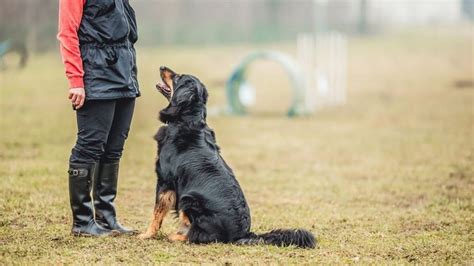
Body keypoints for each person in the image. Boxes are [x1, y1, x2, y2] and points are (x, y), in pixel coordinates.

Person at [57, 0, 139, 236]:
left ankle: (106, 217)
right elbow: (67, 32)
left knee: (114, 149)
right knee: (89, 146)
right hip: (96, 74)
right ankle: (83, 222)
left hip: (125, 72)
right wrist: (76, 80)